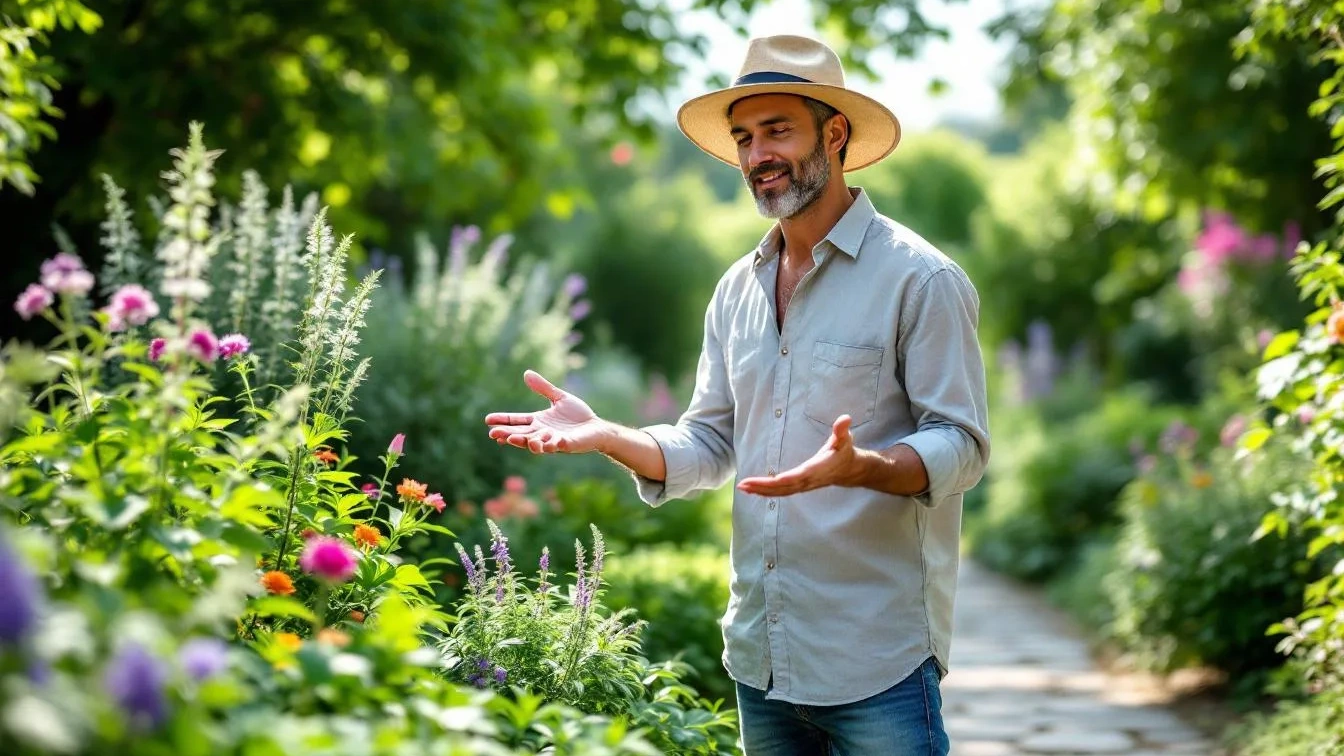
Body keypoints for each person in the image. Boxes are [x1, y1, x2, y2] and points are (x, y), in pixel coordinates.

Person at [484, 33, 989, 756]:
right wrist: (609, 435)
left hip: (877, 660)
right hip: (761, 656)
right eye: (745, 138)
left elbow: (962, 443)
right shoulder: (735, 290)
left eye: (778, 130)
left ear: (835, 133)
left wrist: (867, 468)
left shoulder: (921, 280)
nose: (757, 156)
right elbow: (711, 441)